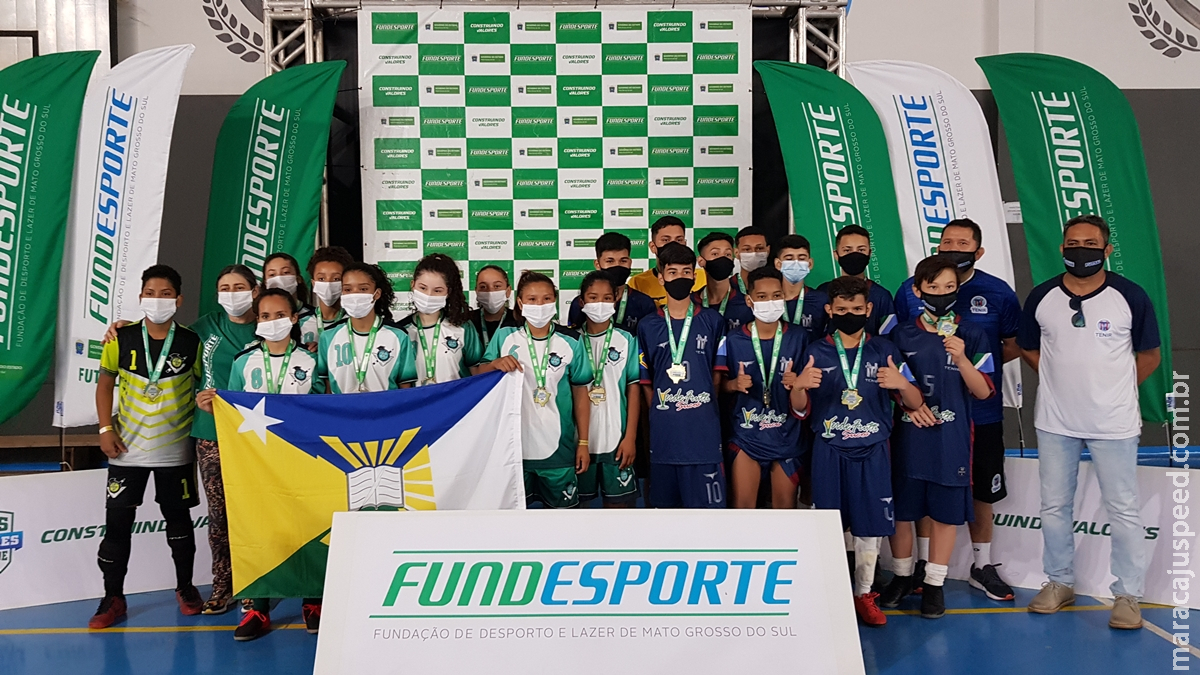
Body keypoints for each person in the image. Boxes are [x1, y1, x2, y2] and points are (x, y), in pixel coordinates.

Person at [1019, 215, 1161, 630]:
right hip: (1055, 421)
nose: (1080, 249)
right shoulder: (1043, 296)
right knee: (1054, 507)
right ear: (1062, 249)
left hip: (1114, 423)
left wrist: (1115, 388)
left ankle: (1128, 594)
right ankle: (1059, 581)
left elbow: (1149, 356)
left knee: (1123, 509)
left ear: (1107, 249)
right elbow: (1029, 348)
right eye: (1073, 242)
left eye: (1090, 243)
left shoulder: (1129, 296)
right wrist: (1060, 382)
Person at [891, 218, 1022, 601]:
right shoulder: (908, 293)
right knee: (920, 486)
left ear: (978, 251)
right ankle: (919, 569)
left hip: (977, 413)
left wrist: (967, 365)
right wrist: (909, 399)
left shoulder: (996, 293)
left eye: (962, 243)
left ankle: (982, 564)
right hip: (918, 417)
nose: (953, 248)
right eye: (947, 242)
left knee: (980, 488)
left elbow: (1009, 346)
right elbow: (899, 350)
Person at [792, 276, 926, 626]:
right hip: (829, 450)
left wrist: (903, 384)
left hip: (872, 449)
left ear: (868, 310)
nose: (849, 314)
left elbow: (914, 403)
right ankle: (832, 592)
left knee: (870, 528)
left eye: (856, 309)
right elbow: (799, 410)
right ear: (829, 311)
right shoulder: (814, 350)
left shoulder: (885, 350)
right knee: (830, 525)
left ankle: (864, 593)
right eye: (841, 309)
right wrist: (800, 388)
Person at [879, 255, 995, 619]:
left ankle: (934, 583)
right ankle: (901, 576)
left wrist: (961, 360)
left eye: (949, 288)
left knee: (945, 516)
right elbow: (888, 383)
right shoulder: (900, 334)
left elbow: (984, 392)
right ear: (918, 290)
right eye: (933, 288)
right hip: (908, 439)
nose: (942, 294)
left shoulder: (972, 334)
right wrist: (908, 405)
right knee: (902, 512)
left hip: (952, 439)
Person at [90, 265, 204, 629]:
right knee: (117, 525)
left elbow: (203, 385)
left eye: (166, 293)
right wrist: (105, 427)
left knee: (179, 524)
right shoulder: (119, 339)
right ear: (141, 298)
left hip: (175, 449)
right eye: (151, 293)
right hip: (126, 449)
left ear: (179, 299)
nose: (158, 300)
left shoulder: (192, 342)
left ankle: (185, 588)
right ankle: (112, 597)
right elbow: (105, 383)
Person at [215, 288, 324, 641]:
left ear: (294, 319)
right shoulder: (243, 362)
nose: (271, 322)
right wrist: (213, 404)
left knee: (310, 524)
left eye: (279, 315)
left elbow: (325, 408)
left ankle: (314, 600)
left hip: (303, 459)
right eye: (264, 316)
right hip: (258, 463)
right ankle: (258, 607)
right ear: (257, 322)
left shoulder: (311, 363)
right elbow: (231, 408)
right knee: (260, 529)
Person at [478, 271, 593, 508]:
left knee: (564, 521)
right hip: (513, 450)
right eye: (531, 299)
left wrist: (583, 443)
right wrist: (494, 364)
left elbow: (581, 392)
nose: (539, 305)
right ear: (520, 303)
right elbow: (478, 375)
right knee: (515, 521)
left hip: (560, 450)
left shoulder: (572, 340)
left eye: (546, 299)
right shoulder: (504, 336)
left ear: (555, 301)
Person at [637, 242, 728, 508]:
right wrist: (660, 411)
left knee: (708, 519)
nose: (680, 278)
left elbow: (717, 376)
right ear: (661, 275)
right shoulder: (648, 325)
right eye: (673, 272)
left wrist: (705, 405)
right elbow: (646, 381)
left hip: (704, 436)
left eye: (686, 272)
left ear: (694, 275)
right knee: (665, 521)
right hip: (665, 436)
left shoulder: (713, 321)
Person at [721, 267, 809, 509]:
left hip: (787, 436)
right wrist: (733, 384)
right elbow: (718, 388)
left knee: (784, 509)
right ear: (749, 301)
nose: (770, 302)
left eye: (776, 295)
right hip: (747, 435)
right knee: (743, 508)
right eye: (762, 297)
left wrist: (797, 385)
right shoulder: (732, 339)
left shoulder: (800, 337)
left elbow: (806, 397)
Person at [574, 271, 642, 507]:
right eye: (593, 298)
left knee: (621, 510)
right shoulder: (571, 340)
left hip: (617, 439)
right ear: (582, 302)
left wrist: (630, 437)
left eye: (606, 298)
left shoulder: (627, 339)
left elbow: (633, 390)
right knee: (578, 512)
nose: (600, 304)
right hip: (580, 443)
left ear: (615, 300)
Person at [316, 262, 418, 395]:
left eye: (363, 289)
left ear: (376, 294)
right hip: (343, 414)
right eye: (348, 289)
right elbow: (328, 390)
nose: (354, 295)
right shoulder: (328, 336)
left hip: (384, 413)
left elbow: (405, 389)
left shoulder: (398, 336)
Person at [396, 254, 483, 385]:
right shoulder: (400, 332)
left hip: (457, 404)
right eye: (423, 288)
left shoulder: (463, 327)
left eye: (437, 290)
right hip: (418, 404)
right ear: (413, 285)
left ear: (448, 292)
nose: (428, 295)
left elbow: (478, 374)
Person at [566, 232, 657, 334]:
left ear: (630, 263)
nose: (617, 266)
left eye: (623, 261)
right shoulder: (580, 303)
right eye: (610, 261)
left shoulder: (644, 303)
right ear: (597, 264)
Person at [816, 225, 896, 336]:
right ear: (836, 255)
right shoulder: (823, 292)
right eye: (847, 250)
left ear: (870, 254)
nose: (854, 255)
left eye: (861, 250)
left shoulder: (882, 296)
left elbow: (889, 336)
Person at [628, 216, 707, 306]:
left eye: (679, 240)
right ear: (653, 247)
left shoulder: (703, 277)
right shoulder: (637, 282)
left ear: (685, 244)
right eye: (665, 240)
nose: (673, 245)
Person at [693, 231, 753, 333]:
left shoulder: (747, 304)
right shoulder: (691, 303)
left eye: (728, 254)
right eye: (715, 254)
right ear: (701, 261)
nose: (723, 258)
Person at [773, 234, 829, 340]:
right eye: (789, 258)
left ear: (810, 264)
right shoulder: (768, 301)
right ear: (778, 264)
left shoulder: (822, 300)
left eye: (801, 258)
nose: (796, 263)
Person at [304, 246, 355, 348]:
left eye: (336, 278)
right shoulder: (299, 323)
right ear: (313, 283)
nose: (328, 283)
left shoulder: (355, 321)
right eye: (321, 278)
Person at [469, 264, 520, 355]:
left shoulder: (519, 321)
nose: (490, 291)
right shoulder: (466, 321)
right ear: (477, 292)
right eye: (483, 287)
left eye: (497, 286)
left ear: (508, 291)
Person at [732, 226, 770, 296]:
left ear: (768, 250)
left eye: (759, 248)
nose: (754, 253)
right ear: (736, 253)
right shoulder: (728, 287)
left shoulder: (778, 285)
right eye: (747, 249)